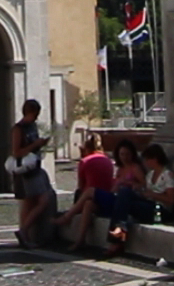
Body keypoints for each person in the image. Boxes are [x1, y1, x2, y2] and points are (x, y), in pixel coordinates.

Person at [105, 143, 174, 257]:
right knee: (124, 193)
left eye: (147, 160)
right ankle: (117, 237)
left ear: (155, 159)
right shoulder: (150, 175)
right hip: (149, 204)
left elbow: (170, 200)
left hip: (160, 210)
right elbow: (146, 192)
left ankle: (117, 241)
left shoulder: (168, 175)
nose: (146, 163)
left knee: (124, 206)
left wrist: (152, 194)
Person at [52, 135, 116, 250]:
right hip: (104, 198)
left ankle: (67, 217)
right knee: (88, 205)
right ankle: (80, 240)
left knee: (87, 194)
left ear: (86, 149)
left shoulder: (85, 161)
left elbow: (81, 187)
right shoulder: (107, 160)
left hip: (95, 196)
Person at [9, 98, 54, 248]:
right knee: (42, 200)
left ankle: (25, 235)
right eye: (35, 114)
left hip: (35, 166)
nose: (36, 118)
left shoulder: (32, 126)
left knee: (29, 203)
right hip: (26, 171)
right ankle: (24, 230)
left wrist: (41, 144)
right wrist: (35, 144)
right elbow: (16, 152)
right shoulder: (19, 129)